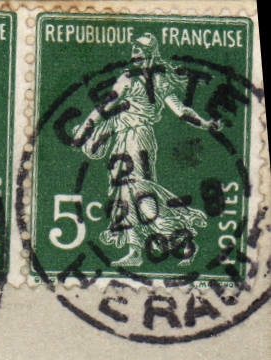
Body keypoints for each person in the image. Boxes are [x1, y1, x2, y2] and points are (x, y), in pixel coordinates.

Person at [69, 34, 220, 267]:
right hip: (136, 139)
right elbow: (182, 112)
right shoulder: (160, 80)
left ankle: (181, 241)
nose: (135, 56)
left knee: (139, 192)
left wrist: (82, 133)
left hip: (134, 139)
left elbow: (102, 109)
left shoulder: (128, 79)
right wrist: (206, 123)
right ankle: (136, 251)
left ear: (149, 55)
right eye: (134, 51)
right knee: (125, 192)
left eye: (138, 52)